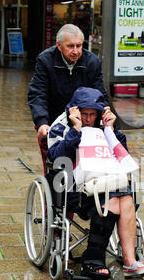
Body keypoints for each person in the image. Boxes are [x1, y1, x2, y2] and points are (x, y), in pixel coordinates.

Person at [47, 86, 144, 280]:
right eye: (84, 114)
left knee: (126, 197)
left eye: (92, 114)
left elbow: (121, 156)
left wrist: (111, 130)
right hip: (75, 190)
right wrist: (76, 130)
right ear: (75, 111)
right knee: (117, 198)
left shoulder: (103, 129)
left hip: (108, 184)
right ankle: (94, 257)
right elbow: (55, 159)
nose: (88, 119)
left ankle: (129, 262)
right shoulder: (61, 127)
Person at [28, 24, 109, 175]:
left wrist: (105, 114)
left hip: (85, 123)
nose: (76, 51)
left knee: (86, 168)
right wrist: (42, 123)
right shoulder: (45, 60)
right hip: (54, 121)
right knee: (56, 168)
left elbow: (100, 94)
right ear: (58, 45)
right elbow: (38, 93)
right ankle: (55, 194)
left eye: (79, 45)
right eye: (70, 46)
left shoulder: (92, 62)